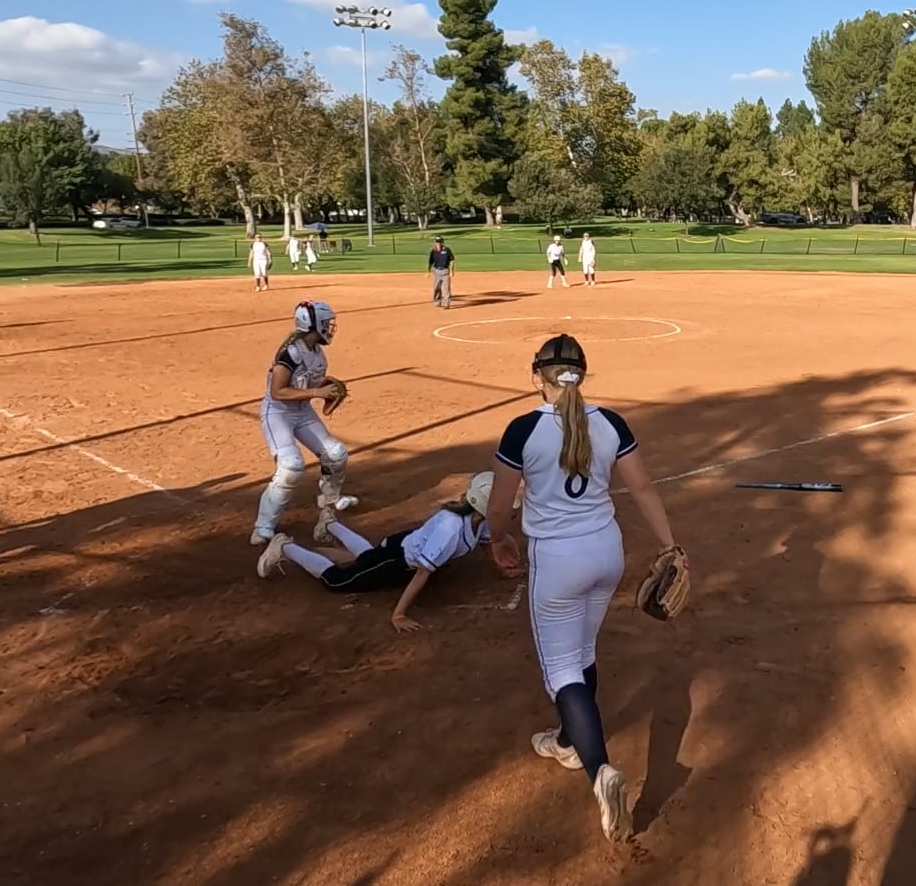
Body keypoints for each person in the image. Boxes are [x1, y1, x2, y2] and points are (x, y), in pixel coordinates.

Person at [486, 334, 682, 843]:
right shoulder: (610, 422)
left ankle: (601, 772)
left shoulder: (523, 429)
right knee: (584, 651)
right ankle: (568, 742)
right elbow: (642, 487)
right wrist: (670, 545)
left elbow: (499, 506)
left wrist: (498, 539)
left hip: (557, 562)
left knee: (561, 671)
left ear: (538, 375)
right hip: (606, 552)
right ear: (583, 374)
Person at [257, 472, 512, 632]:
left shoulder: (479, 520)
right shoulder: (450, 529)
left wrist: (502, 570)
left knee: (366, 558)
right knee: (339, 580)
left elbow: (487, 544)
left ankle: (330, 524)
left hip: (401, 548)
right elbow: (422, 573)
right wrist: (398, 614)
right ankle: (285, 546)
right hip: (397, 560)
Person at [250, 301, 358, 546]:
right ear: (314, 324)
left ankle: (330, 500)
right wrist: (317, 393)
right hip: (278, 413)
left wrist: (325, 389)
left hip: (302, 411)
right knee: (291, 466)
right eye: (326, 323)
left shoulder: (318, 354)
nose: (330, 327)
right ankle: (263, 526)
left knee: (336, 454)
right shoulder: (290, 354)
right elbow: (278, 391)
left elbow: (307, 384)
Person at [428, 236, 455, 308]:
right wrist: (428, 271)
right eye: (437, 242)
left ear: (442, 242)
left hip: (445, 271)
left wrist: (451, 271)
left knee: (446, 288)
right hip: (436, 271)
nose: (438, 243)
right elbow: (430, 262)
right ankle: (437, 301)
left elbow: (452, 260)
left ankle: (446, 303)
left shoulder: (447, 250)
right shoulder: (433, 251)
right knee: (436, 288)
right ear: (434, 242)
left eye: (440, 241)